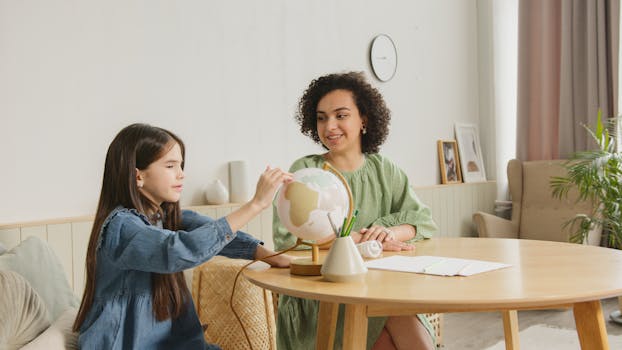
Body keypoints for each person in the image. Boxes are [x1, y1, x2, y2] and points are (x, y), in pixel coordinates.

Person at [72, 123, 293, 349]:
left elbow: (217, 232)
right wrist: (255, 205)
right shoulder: (121, 227)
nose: (181, 174)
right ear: (137, 176)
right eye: (170, 166)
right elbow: (178, 250)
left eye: (181, 165)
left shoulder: (165, 216)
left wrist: (269, 256)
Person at [273, 72, 439, 350]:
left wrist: (387, 231)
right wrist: (361, 240)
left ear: (363, 119)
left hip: (379, 290)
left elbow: (422, 221)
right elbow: (289, 243)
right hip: (323, 298)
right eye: (322, 117)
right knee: (386, 334)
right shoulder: (306, 170)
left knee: (395, 318)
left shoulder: (384, 170)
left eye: (341, 115)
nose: (330, 126)